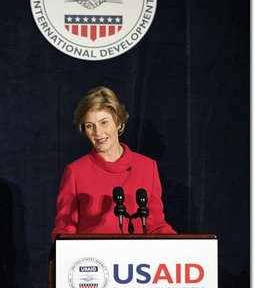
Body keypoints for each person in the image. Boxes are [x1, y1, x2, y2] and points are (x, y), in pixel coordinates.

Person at [50, 87, 176, 241]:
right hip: (93, 261)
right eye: (90, 126)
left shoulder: (147, 167)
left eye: (104, 123)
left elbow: (155, 225)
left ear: (118, 122)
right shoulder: (75, 172)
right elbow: (65, 228)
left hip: (137, 261)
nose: (98, 133)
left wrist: (182, 248)